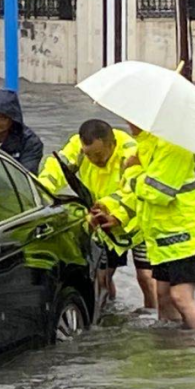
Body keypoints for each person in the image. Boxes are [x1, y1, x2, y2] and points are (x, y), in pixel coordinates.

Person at [92, 123, 195, 330]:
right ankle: (170, 350)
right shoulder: (148, 144)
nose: (129, 123)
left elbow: (157, 193)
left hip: (187, 236)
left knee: (181, 297)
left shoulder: (176, 145)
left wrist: (131, 171)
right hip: (163, 238)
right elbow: (137, 197)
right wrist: (117, 216)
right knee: (163, 297)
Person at [38, 119, 156, 310]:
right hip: (102, 222)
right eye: (89, 155)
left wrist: (110, 209)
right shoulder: (78, 146)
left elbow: (131, 192)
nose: (95, 160)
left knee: (146, 277)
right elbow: (56, 168)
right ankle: (109, 312)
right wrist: (40, 190)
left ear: (112, 144)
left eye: (99, 154)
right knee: (103, 277)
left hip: (136, 222)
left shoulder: (130, 151)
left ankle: (153, 316)